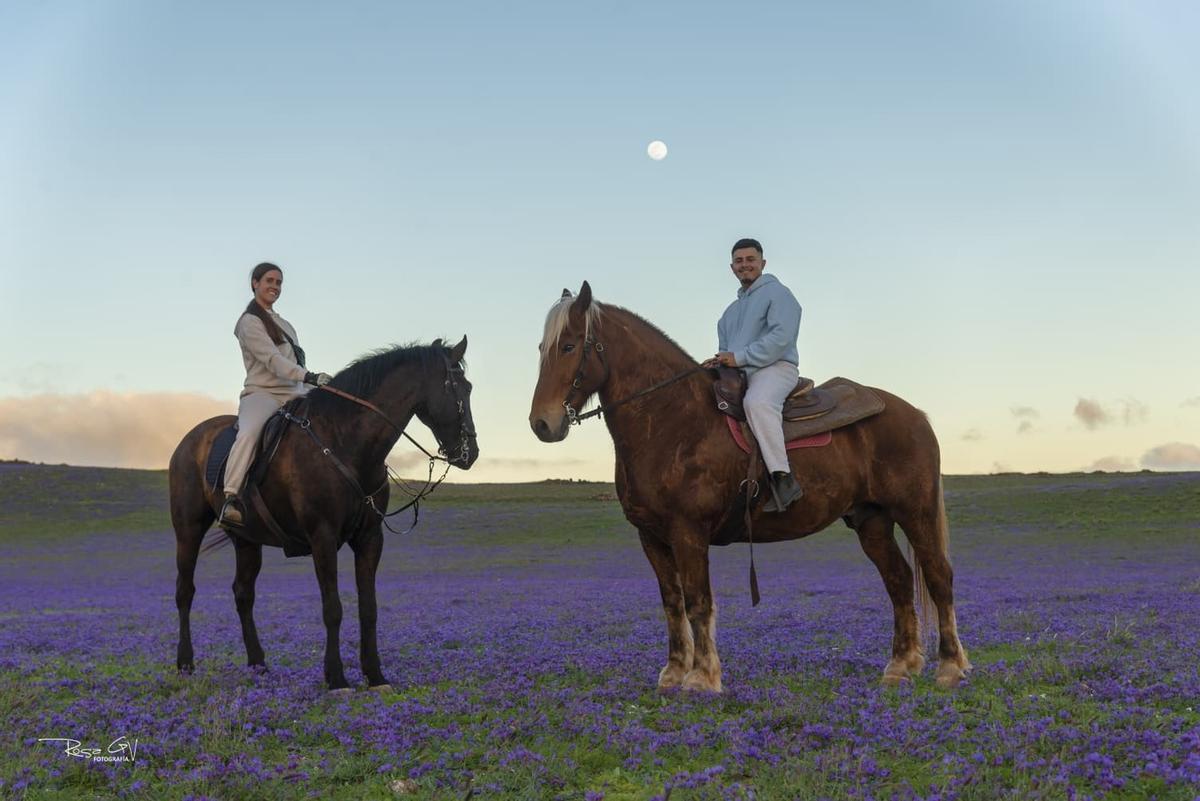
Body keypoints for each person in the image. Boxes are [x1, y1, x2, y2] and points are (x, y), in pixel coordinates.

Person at [218, 262, 332, 529]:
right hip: (263, 393)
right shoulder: (248, 322)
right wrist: (309, 376)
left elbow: (294, 363)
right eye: (269, 280)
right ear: (255, 283)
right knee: (249, 432)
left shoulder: (286, 325)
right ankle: (231, 497)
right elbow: (272, 360)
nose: (275, 286)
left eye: (279, 283)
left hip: (296, 391)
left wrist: (315, 385)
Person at [703, 238, 804, 512]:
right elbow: (727, 351)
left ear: (763, 263)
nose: (744, 265)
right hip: (739, 374)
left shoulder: (779, 294)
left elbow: (781, 338)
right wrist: (720, 362)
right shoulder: (727, 314)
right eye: (739, 261)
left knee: (757, 403)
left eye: (750, 259)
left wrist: (739, 357)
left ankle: (783, 479)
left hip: (775, 368)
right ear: (732, 267)